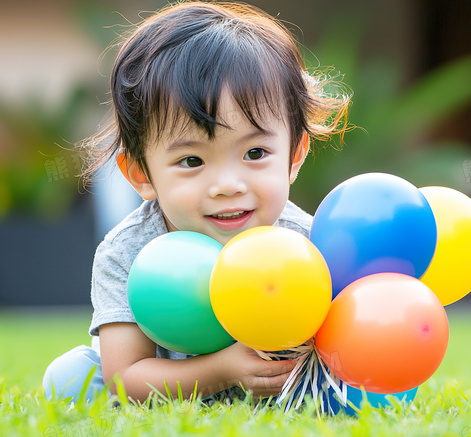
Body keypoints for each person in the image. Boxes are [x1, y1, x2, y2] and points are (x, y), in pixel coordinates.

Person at [42, 1, 350, 404]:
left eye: (255, 153)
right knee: (71, 377)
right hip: (167, 392)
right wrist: (223, 370)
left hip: (276, 392)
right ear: (141, 175)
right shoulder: (129, 252)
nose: (226, 185)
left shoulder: (309, 247)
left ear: (294, 155)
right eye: (192, 161)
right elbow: (125, 378)